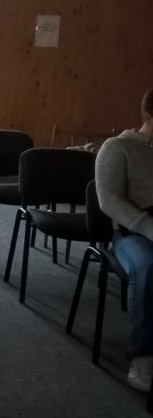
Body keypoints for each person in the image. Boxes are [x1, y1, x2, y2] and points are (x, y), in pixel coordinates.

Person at [96, 89, 153, 391]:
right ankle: (143, 356)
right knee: (148, 266)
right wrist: (149, 227)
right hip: (133, 232)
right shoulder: (118, 147)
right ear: (149, 116)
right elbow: (109, 200)